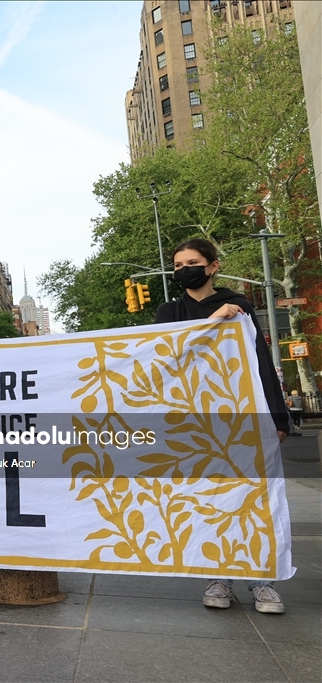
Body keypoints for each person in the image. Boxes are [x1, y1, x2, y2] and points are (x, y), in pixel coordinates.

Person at [155, 238, 289, 614]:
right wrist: (211, 324)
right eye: (178, 265)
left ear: (213, 266)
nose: (184, 270)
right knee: (207, 500)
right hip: (192, 420)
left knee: (252, 497)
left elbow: (260, 362)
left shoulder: (240, 306)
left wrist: (278, 416)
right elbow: (164, 353)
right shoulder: (169, 311)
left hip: (241, 415)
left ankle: (262, 579)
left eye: (192, 262)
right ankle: (218, 578)